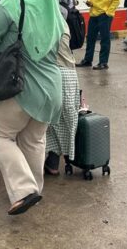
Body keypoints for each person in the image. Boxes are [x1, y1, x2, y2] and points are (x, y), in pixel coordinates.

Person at [0, 0, 64, 216]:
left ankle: (25, 190)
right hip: (51, 88)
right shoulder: (56, 12)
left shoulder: (14, 2)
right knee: (33, 140)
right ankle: (33, 191)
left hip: (20, 84)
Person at [44, 26, 80, 176]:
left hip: (56, 73)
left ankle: (50, 163)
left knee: (50, 121)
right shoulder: (63, 22)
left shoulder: (49, 23)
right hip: (71, 73)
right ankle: (54, 163)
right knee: (63, 121)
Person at [76, 0, 120, 70]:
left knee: (104, 39)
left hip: (105, 15)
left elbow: (116, 0)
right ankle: (87, 60)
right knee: (90, 38)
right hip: (93, 14)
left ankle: (103, 62)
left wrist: (108, 13)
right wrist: (89, 2)